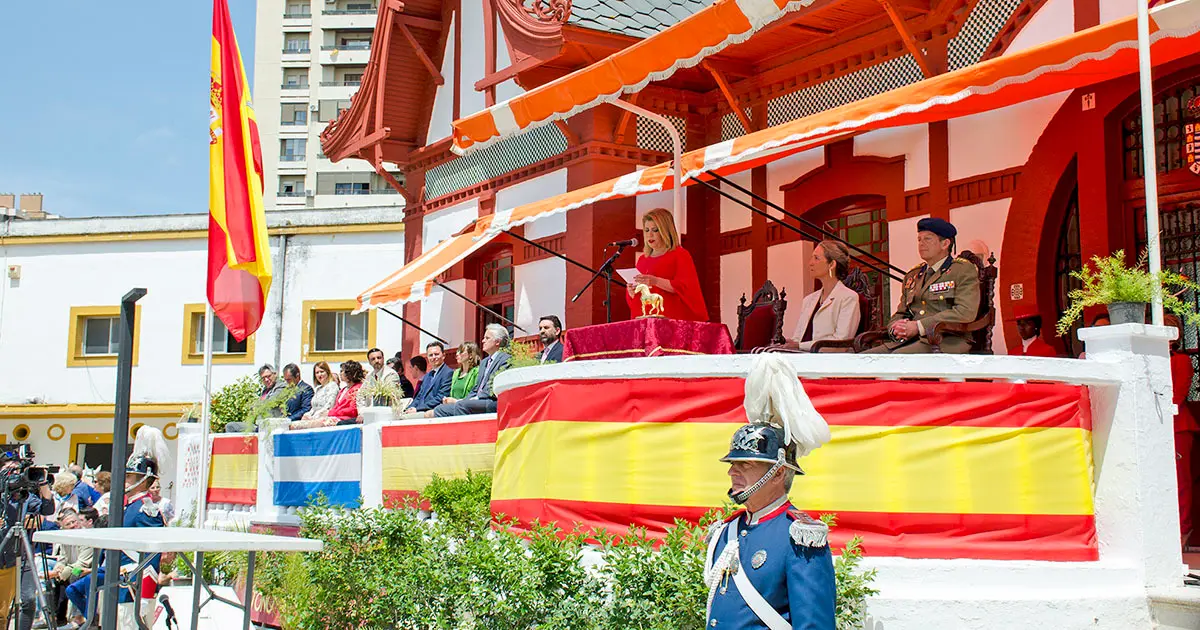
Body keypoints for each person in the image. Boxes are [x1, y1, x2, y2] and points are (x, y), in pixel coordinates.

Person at [705, 354, 835, 628]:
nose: (732, 472)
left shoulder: (800, 537)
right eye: (733, 464)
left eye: (745, 465)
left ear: (777, 473)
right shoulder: (727, 531)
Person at [66, 427, 171, 630]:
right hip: (115, 582)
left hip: (131, 588)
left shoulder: (145, 510)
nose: (124, 481)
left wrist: (143, 593)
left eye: (130, 477)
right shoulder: (130, 506)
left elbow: (151, 556)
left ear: (144, 480)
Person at [864, 217, 980, 354]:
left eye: (928, 239)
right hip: (912, 341)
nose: (921, 244)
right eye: (919, 239)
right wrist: (896, 327)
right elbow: (901, 312)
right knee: (862, 359)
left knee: (896, 359)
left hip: (948, 340)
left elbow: (965, 312)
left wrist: (919, 326)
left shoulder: (961, 270)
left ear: (945, 244)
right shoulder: (913, 275)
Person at [0, 452, 56, 630]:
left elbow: (47, 509)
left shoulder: (24, 497)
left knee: (24, 602)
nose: (15, 474)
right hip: (3, 555)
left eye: (17, 470)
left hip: (19, 556)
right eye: (9, 471)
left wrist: (42, 482)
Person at [773, 241, 861, 352]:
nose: (810, 263)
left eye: (816, 258)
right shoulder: (808, 300)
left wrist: (799, 346)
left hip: (827, 362)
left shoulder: (848, 298)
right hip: (802, 357)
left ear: (831, 264)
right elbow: (798, 338)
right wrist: (786, 343)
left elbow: (840, 344)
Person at [624, 208, 708, 321]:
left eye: (655, 230)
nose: (650, 235)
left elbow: (685, 288)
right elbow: (638, 298)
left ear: (665, 231)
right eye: (647, 230)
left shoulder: (680, 254)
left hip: (673, 319)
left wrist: (655, 281)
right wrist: (632, 292)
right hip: (648, 320)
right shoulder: (643, 259)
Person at [432, 324, 512, 417]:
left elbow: (492, 387)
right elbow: (476, 388)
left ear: (497, 342)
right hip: (477, 402)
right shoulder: (484, 362)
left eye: (487, 338)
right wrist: (465, 400)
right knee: (440, 409)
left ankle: (465, 431)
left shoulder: (505, 359)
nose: (483, 341)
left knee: (462, 406)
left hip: (491, 402)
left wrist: (471, 400)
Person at [1166, 314, 1197, 545]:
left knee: (1180, 481)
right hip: (1153, 427)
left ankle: (1183, 530)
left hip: (1177, 427)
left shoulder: (1180, 360)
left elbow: (1177, 395)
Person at [48, 507, 91, 627]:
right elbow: (63, 558)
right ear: (63, 527)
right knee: (54, 579)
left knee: (74, 575)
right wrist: (58, 568)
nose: (73, 526)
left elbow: (82, 562)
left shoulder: (87, 536)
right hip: (70, 567)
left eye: (74, 522)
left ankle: (78, 617)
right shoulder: (66, 538)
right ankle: (57, 617)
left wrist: (62, 572)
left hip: (86, 569)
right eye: (68, 524)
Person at [292, 360, 366, 429]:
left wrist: (330, 413)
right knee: (298, 424)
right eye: (317, 373)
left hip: (342, 420)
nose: (340, 373)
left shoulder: (357, 389)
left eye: (342, 371)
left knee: (305, 425)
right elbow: (336, 406)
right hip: (332, 417)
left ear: (350, 373)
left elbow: (353, 409)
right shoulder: (343, 390)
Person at [405, 343, 452, 414]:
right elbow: (419, 397)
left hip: (433, 414)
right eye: (430, 355)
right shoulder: (428, 375)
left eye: (436, 354)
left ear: (443, 355)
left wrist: (418, 409)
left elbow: (441, 397)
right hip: (419, 413)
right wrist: (408, 409)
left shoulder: (448, 373)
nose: (433, 357)